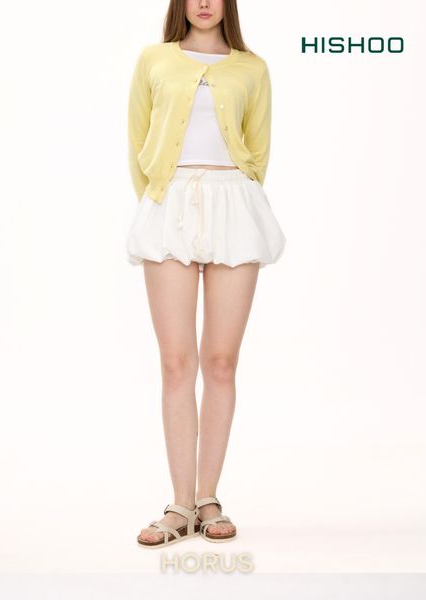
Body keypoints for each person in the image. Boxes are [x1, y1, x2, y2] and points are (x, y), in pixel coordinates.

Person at [126, 0, 286, 548]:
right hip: (169, 204)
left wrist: (237, 196)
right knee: (176, 363)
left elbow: (258, 149)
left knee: (220, 363)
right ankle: (179, 505)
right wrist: (159, 201)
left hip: (233, 206)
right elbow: (138, 141)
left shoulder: (252, 67)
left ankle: (208, 497)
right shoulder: (154, 59)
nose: (202, 3)